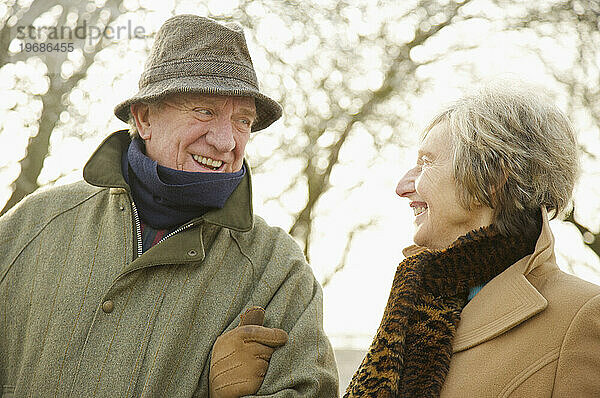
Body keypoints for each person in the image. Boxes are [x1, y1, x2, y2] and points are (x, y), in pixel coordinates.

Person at [0, 15, 338, 398]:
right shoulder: (31, 225)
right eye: (205, 111)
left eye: (242, 120)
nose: (226, 141)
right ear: (144, 118)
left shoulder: (278, 270)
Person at [343, 82, 600, 397]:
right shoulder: (416, 300)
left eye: (426, 162)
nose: (403, 186)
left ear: (492, 178)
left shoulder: (584, 314)